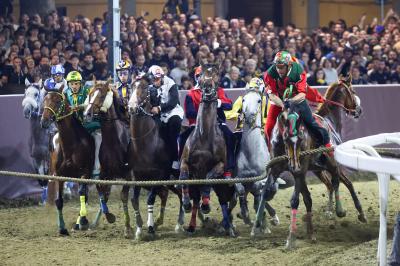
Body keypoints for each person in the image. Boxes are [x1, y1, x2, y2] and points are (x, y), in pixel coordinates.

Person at [179, 66, 235, 212]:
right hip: (196, 126)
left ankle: (229, 169)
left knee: (230, 136)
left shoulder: (219, 90)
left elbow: (229, 105)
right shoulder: (192, 93)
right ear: (197, 78)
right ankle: (177, 166)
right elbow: (189, 112)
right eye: (199, 76)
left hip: (217, 124)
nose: (201, 79)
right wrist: (204, 107)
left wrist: (219, 103)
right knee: (182, 137)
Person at [264, 51, 332, 155]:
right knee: (268, 127)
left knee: (311, 123)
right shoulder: (269, 73)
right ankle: (268, 152)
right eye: (277, 66)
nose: (278, 70)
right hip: (278, 101)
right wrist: (283, 105)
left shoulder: (298, 71)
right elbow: (271, 95)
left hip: (296, 99)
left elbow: (302, 95)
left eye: (281, 67)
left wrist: (290, 102)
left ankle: (326, 144)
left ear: (289, 65)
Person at [148, 65, 183, 177]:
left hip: (173, 111)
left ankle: (176, 160)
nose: (156, 81)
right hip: (159, 115)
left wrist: (159, 108)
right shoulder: (149, 87)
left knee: (174, 124)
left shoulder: (171, 83)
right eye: (154, 79)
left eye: (158, 79)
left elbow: (173, 101)